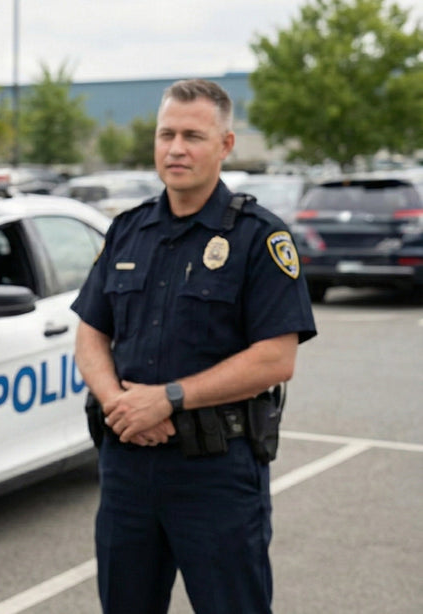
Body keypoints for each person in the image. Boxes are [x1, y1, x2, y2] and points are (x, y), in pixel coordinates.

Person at [71, 78, 317, 613]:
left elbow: (277, 357)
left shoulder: (259, 238)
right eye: (166, 134)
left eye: (193, 135)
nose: (176, 148)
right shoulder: (127, 231)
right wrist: (121, 403)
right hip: (128, 468)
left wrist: (169, 398)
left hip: (217, 474)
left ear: (225, 145)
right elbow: (90, 333)